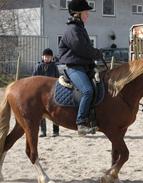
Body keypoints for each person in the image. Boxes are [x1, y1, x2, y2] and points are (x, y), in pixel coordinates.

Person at [58, 0, 103, 135]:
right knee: (88, 91)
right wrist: (97, 53)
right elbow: (82, 49)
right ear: (77, 14)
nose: (88, 15)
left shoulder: (80, 28)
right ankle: (81, 122)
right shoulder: (73, 30)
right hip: (74, 68)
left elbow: (85, 49)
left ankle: (93, 119)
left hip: (84, 66)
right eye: (86, 12)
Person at [33, 48, 60, 137]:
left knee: (54, 112)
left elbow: (57, 78)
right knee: (41, 112)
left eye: (48, 57)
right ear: (42, 57)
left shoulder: (54, 66)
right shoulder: (38, 66)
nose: (46, 58)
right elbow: (33, 79)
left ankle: (55, 131)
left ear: (51, 58)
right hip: (41, 93)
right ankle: (43, 131)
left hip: (52, 92)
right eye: (45, 56)